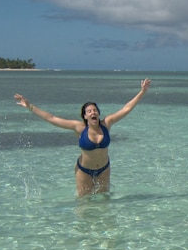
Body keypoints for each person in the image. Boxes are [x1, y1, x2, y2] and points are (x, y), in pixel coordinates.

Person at [14, 79, 151, 196]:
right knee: (84, 205)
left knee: (104, 202)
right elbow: (52, 118)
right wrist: (30, 106)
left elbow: (125, 109)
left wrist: (142, 92)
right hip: (84, 170)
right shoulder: (79, 128)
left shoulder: (106, 124)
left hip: (104, 169)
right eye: (89, 111)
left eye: (95, 110)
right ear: (85, 116)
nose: (93, 112)